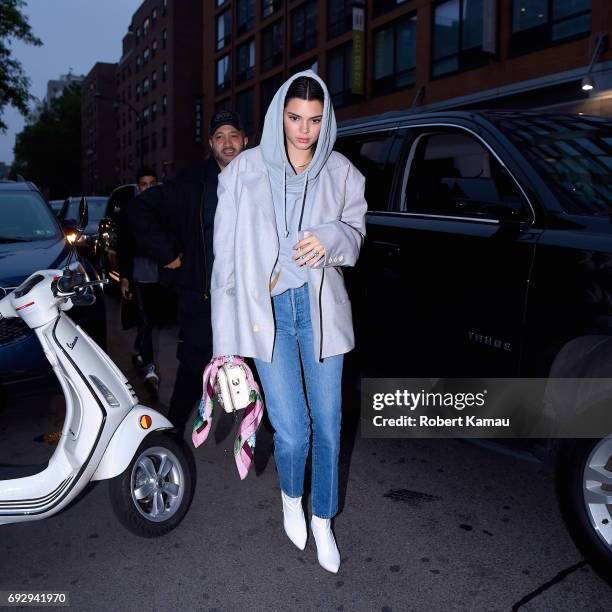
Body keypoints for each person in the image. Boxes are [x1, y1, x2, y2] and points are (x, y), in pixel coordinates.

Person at [211, 71, 367, 573]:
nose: (304, 131)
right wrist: (224, 347)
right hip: (268, 314)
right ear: (280, 113)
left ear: (327, 121)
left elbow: (355, 237)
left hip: (323, 314)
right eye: (295, 118)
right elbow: (225, 266)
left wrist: (330, 238)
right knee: (293, 432)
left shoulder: (343, 173)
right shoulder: (242, 173)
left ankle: (323, 518)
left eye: (315, 121)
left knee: (330, 425)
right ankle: (289, 500)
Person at [128, 111, 248, 429]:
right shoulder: (189, 183)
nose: (227, 143)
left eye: (233, 135)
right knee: (193, 371)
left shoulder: (261, 181)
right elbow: (140, 208)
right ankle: (171, 435)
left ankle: (286, 450)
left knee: (262, 372)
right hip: (202, 297)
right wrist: (167, 254)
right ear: (210, 143)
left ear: (245, 140)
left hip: (249, 299)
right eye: (219, 137)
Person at [119, 166, 162, 395]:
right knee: (145, 320)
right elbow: (124, 245)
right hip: (139, 273)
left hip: (163, 273)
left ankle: (138, 349)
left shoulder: (165, 208)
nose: (148, 188)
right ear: (138, 187)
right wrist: (125, 277)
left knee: (153, 319)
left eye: (151, 183)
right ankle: (149, 368)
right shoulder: (130, 210)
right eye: (144, 184)